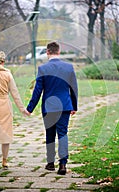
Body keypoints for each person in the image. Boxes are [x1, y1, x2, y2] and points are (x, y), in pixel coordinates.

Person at [26, 41, 78, 175]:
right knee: (63, 133)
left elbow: (37, 91)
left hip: (49, 107)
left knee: (50, 134)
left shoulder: (43, 69)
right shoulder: (69, 67)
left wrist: (30, 108)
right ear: (59, 52)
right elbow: (74, 89)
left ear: (47, 52)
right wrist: (74, 106)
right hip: (65, 106)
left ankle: (50, 163)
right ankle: (63, 164)